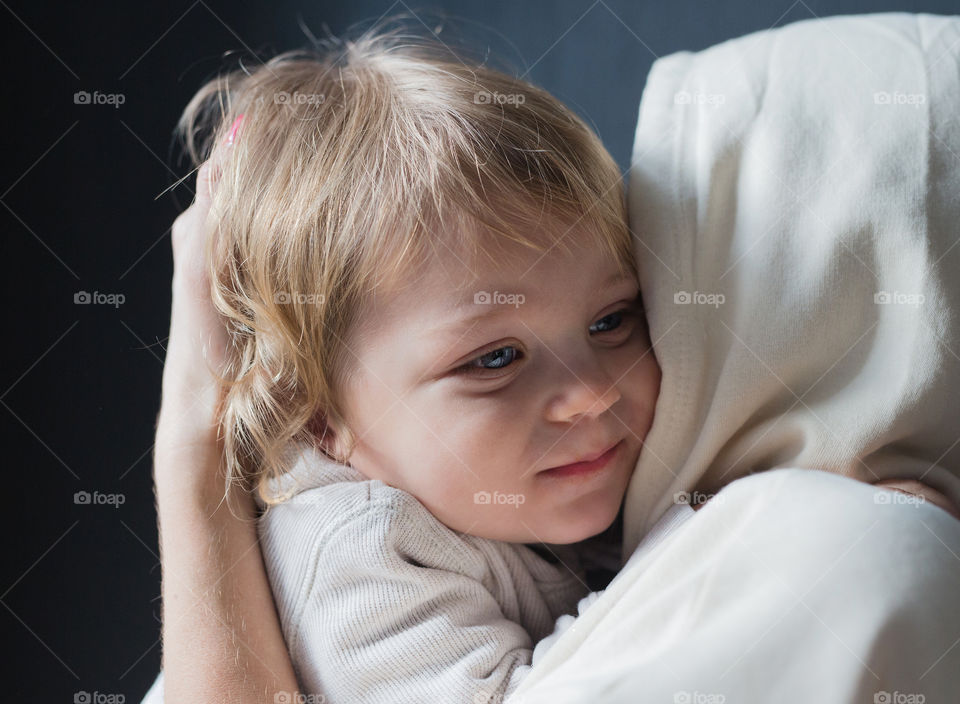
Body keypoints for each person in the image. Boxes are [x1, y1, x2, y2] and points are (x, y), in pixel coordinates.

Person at [145, 20, 959, 704]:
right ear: (323, 418)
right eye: (495, 358)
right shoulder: (358, 543)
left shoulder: (524, 495)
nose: (591, 392)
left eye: (611, 320)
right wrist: (754, 537)